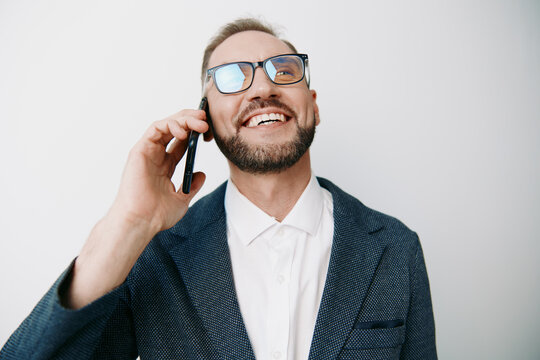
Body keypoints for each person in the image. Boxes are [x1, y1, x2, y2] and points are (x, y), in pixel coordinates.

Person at [0, 18, 437, 360]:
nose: (263, 87)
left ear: (314, 106)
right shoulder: (155, 254)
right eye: (232, 77)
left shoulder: (396, 249)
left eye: (284, 71)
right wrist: (127, 223)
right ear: (204, 122)